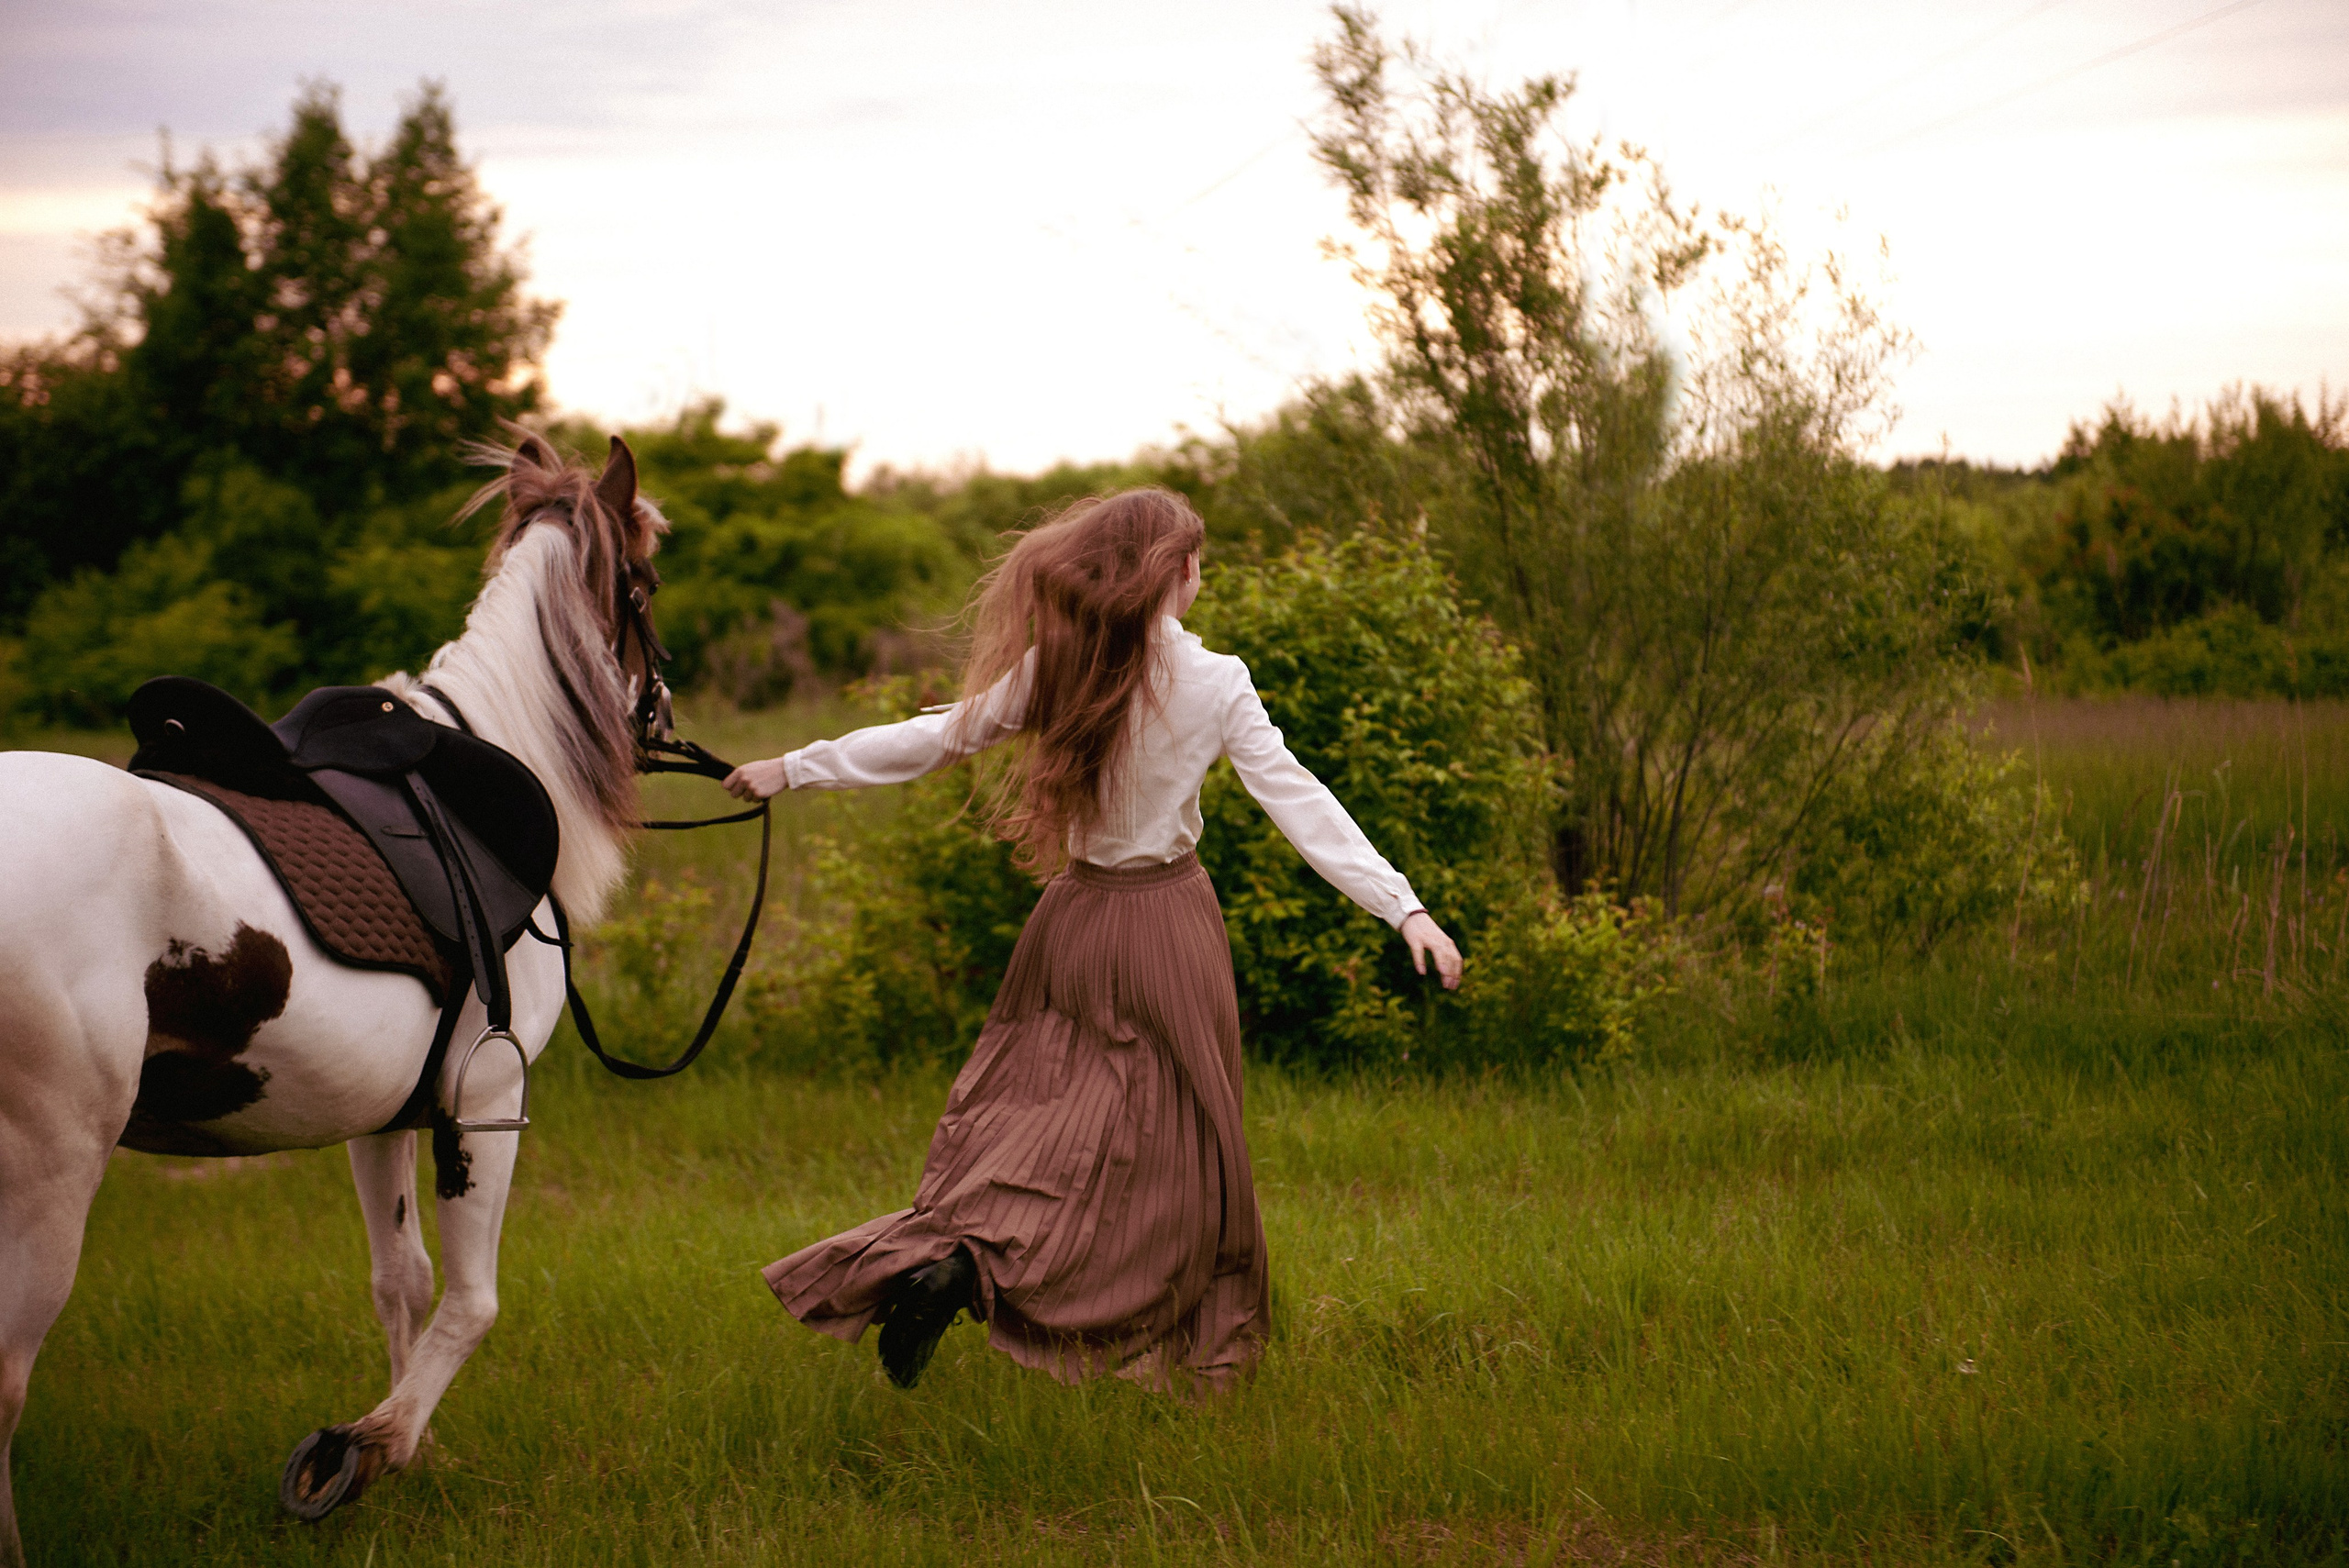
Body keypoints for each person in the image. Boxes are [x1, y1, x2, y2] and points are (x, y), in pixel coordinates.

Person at [724, 489, 1462, 1394]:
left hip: (1070, 926)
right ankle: (1179, 1346)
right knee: (1184, 1148)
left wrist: (793, 766)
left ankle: (962, 1258)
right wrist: (1404, 908)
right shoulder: (1216, 680)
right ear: (1178, 571)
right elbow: (1299, 799)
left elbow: (937, 738)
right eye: (1196, 561)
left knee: (1032, 1119)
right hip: (1169, 930)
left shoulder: (1060, 665)